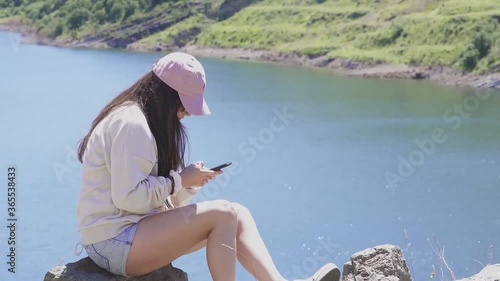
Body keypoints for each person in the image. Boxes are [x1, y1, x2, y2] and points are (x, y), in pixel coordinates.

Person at [75, 52, 341, 281]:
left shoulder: (152, 124)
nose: (188, 113)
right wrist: (179, 180)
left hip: (137, 232)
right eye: (185, 104)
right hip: (112, 242)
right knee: (223, 213)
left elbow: (164, 205)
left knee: (237, 213)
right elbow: (129, 198)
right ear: (167, 95)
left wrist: (188, 185)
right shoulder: (131, 124)